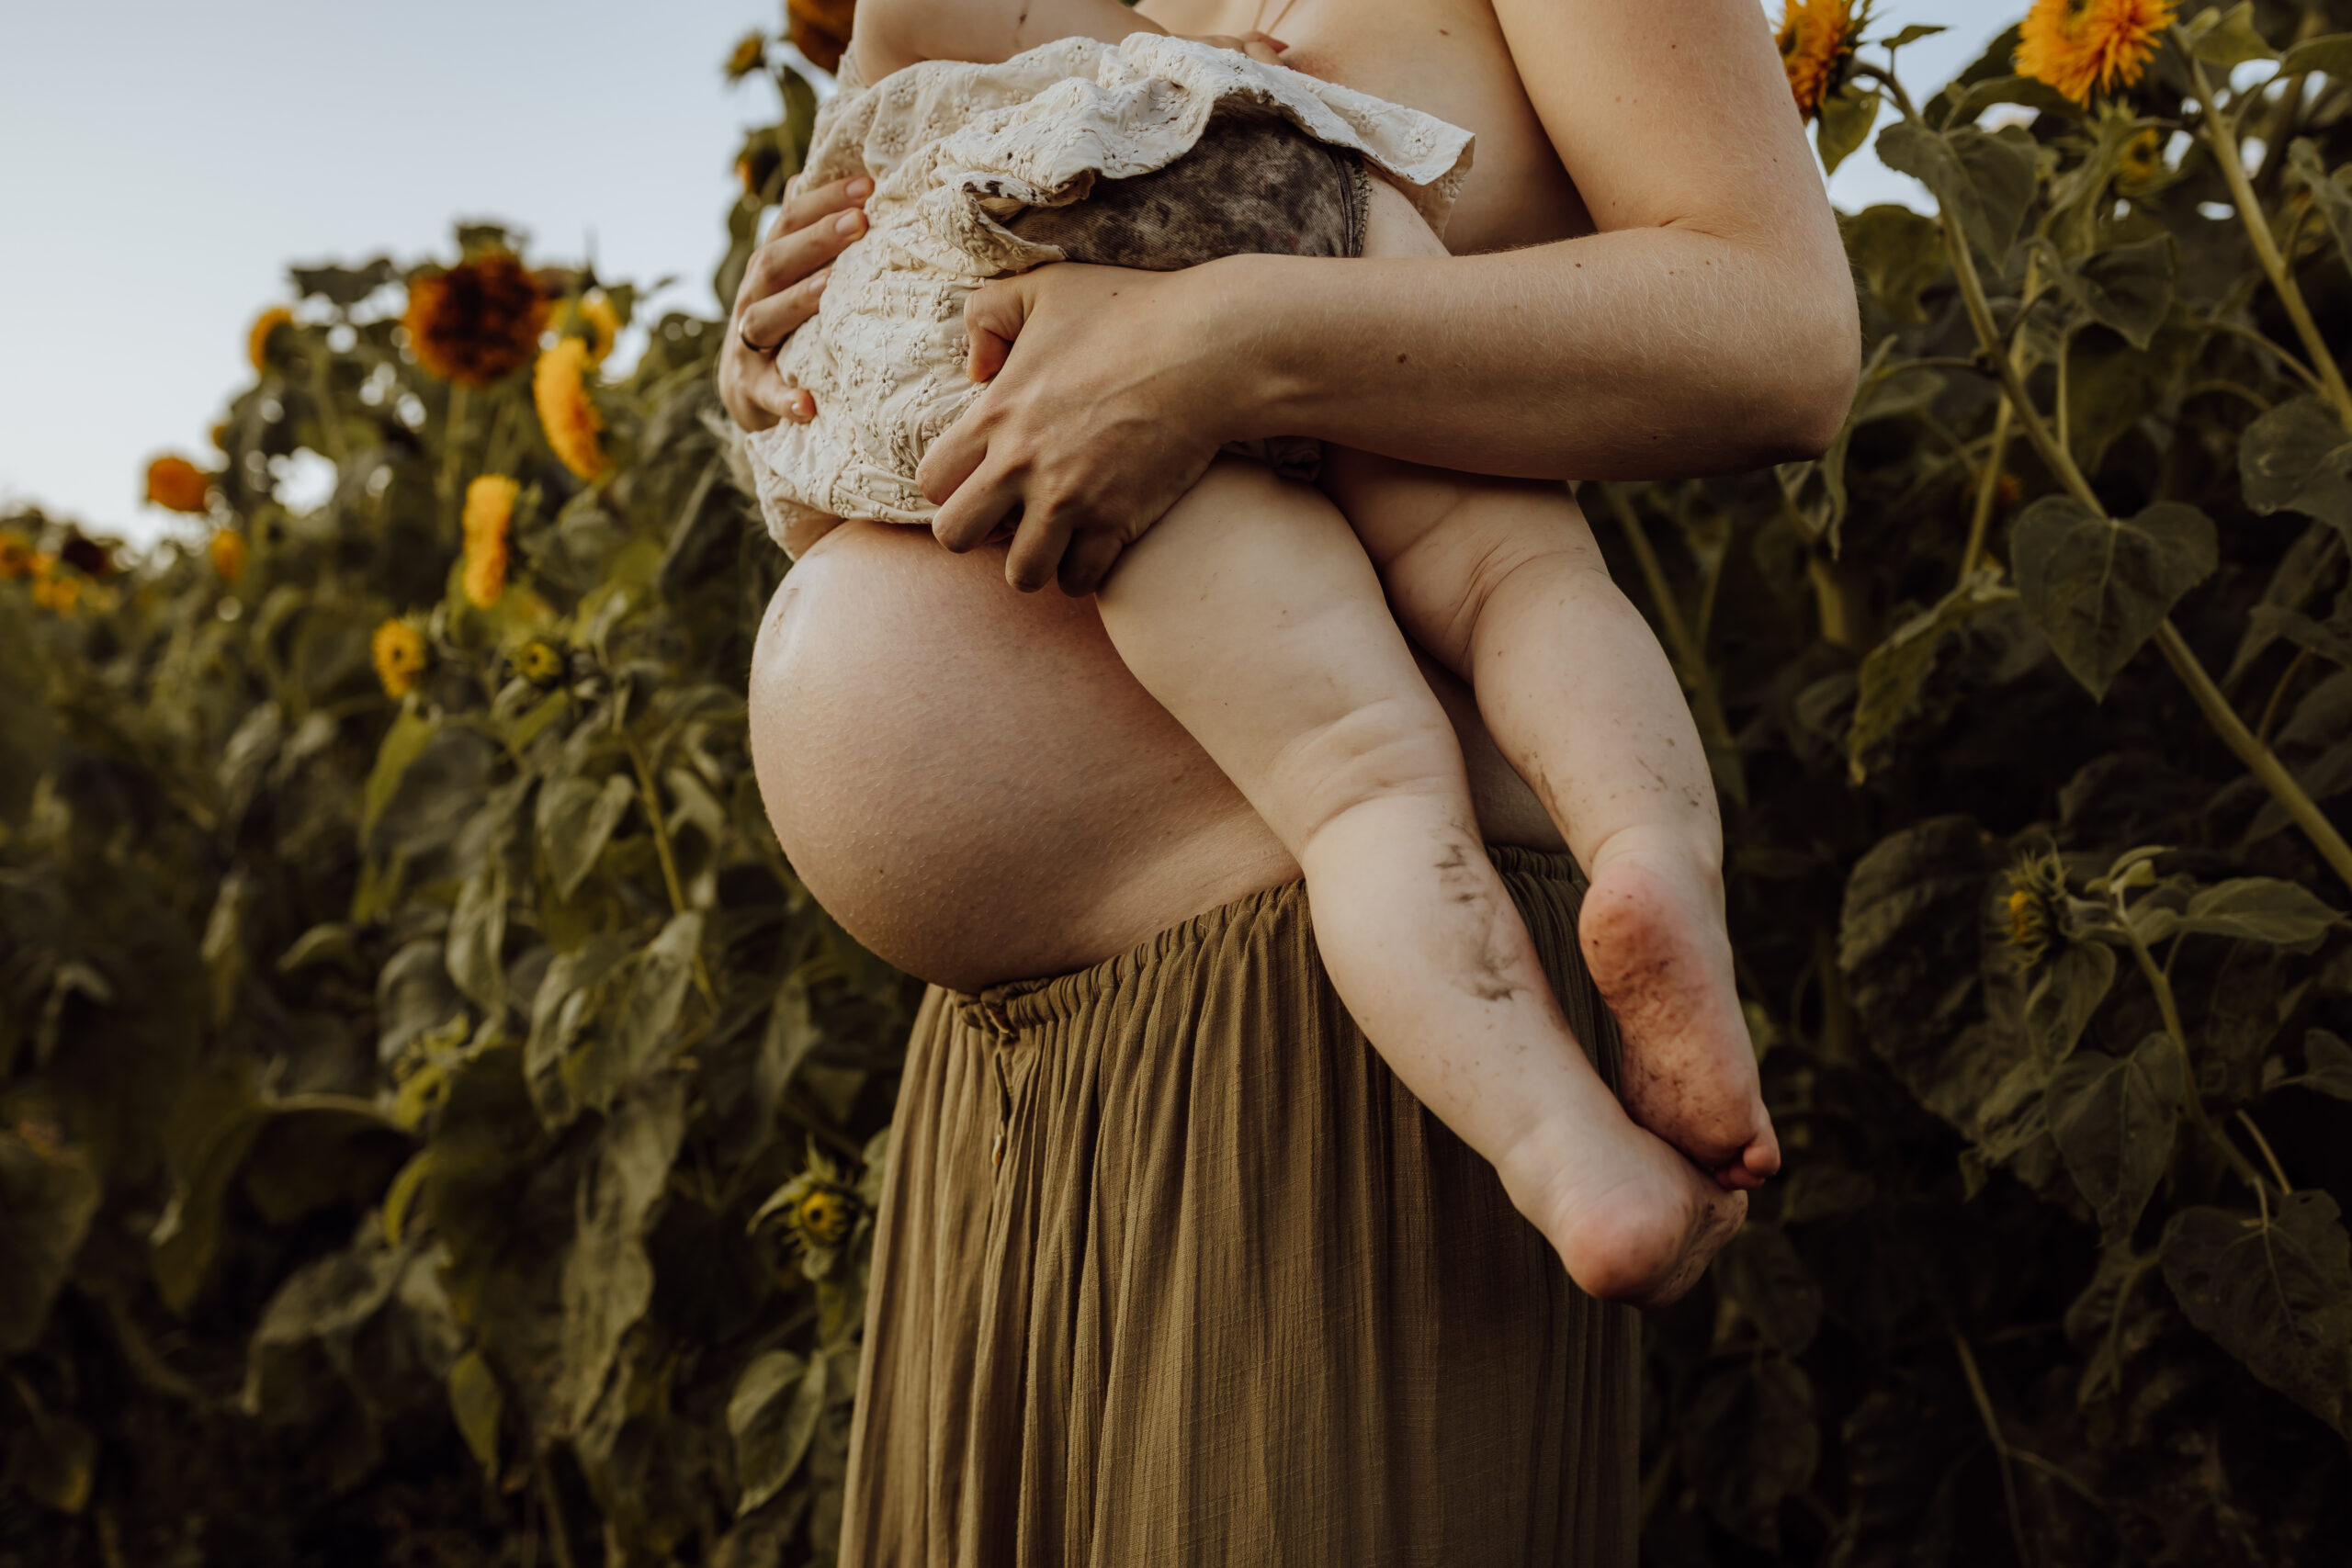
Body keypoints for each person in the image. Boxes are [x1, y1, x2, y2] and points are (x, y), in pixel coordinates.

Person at [723, 1, 1857, 1561]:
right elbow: (859, 371)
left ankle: (1587, 1074)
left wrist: (1224, 344)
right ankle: (1657, 857)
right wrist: (771, 356)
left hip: (1339, 1026)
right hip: (994, 1080)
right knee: (1525, 592)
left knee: (1377, 771)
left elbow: (1780, 338)